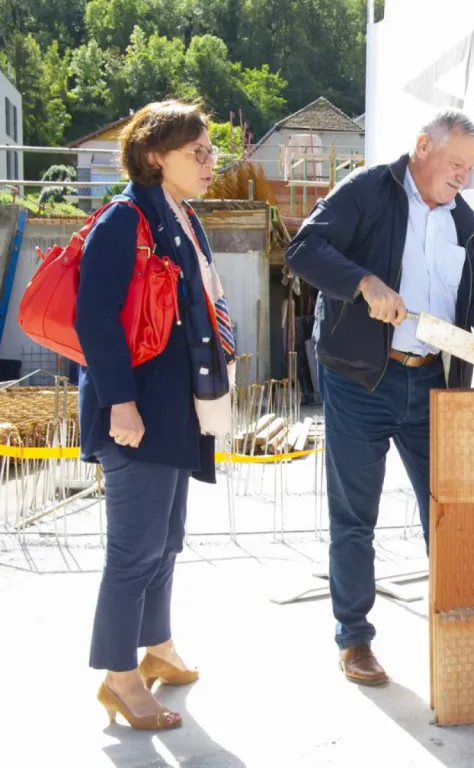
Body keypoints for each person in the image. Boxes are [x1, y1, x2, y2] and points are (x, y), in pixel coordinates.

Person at [285, 109, 474, 686]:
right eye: (455, 163)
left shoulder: (462, 218)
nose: (463, 176)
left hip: (432, 380)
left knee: (445, 515)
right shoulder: (368, 190)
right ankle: (355, 638)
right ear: (422, 146)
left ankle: (455, 627)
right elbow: (304, 249)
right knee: (354, 516)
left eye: (470, 167)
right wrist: (364, 282)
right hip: (361, 378)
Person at [74, 100, 236, 730]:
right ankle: (119, 677)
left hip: (177, 407)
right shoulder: (123, 217)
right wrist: (119, 402)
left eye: (210, 149)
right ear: (152, 156)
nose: (209, 160)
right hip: (136, 410)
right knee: (134, 550)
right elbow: (94, 317)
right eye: (196, 151)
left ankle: (157, 648)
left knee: (166, 542)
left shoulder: (179, 215)